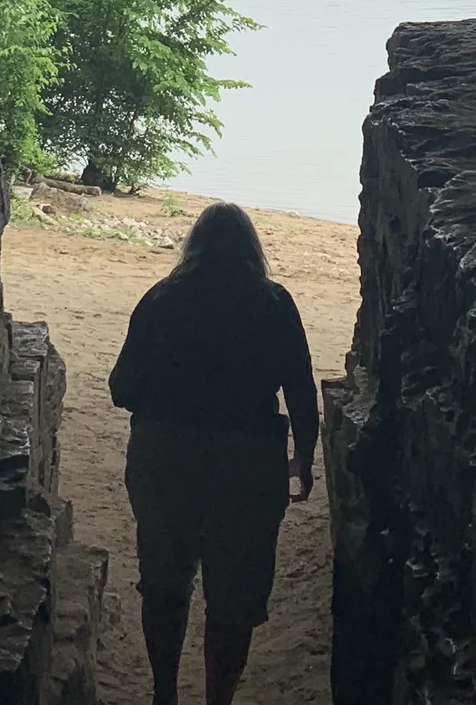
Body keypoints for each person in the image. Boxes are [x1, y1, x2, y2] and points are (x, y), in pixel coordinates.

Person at [109, 201, 319, 705]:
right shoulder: (273, 303)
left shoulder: (162, 298)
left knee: (163, 581)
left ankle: (164, 692)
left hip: (167, 455)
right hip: (248, 463)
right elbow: (301, 390)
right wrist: (305, 458)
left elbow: (121, 387)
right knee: (235, 598)